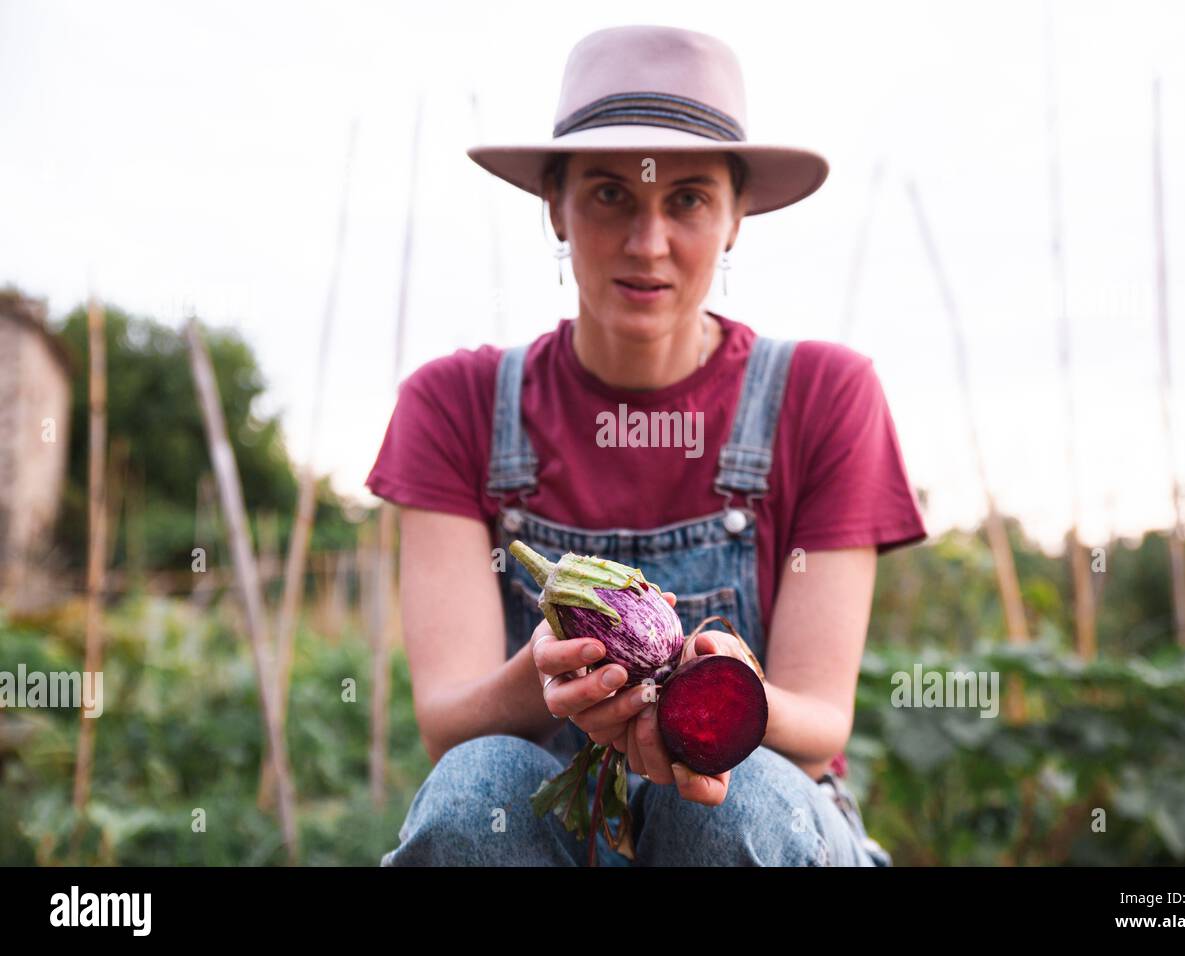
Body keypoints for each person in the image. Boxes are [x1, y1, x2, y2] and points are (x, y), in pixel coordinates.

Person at [367, 24, 927, 866]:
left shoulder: (823, 393)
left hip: (756, 816)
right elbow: (447, 720)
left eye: (689, 198)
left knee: (731, 807)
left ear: (737, 215)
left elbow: (820, 725)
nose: (648, 242)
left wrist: (722, 691)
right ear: (554, 204)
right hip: (543, 825)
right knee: (471, 792)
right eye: (608, 195)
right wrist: (559, 674)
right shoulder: (455, 405)